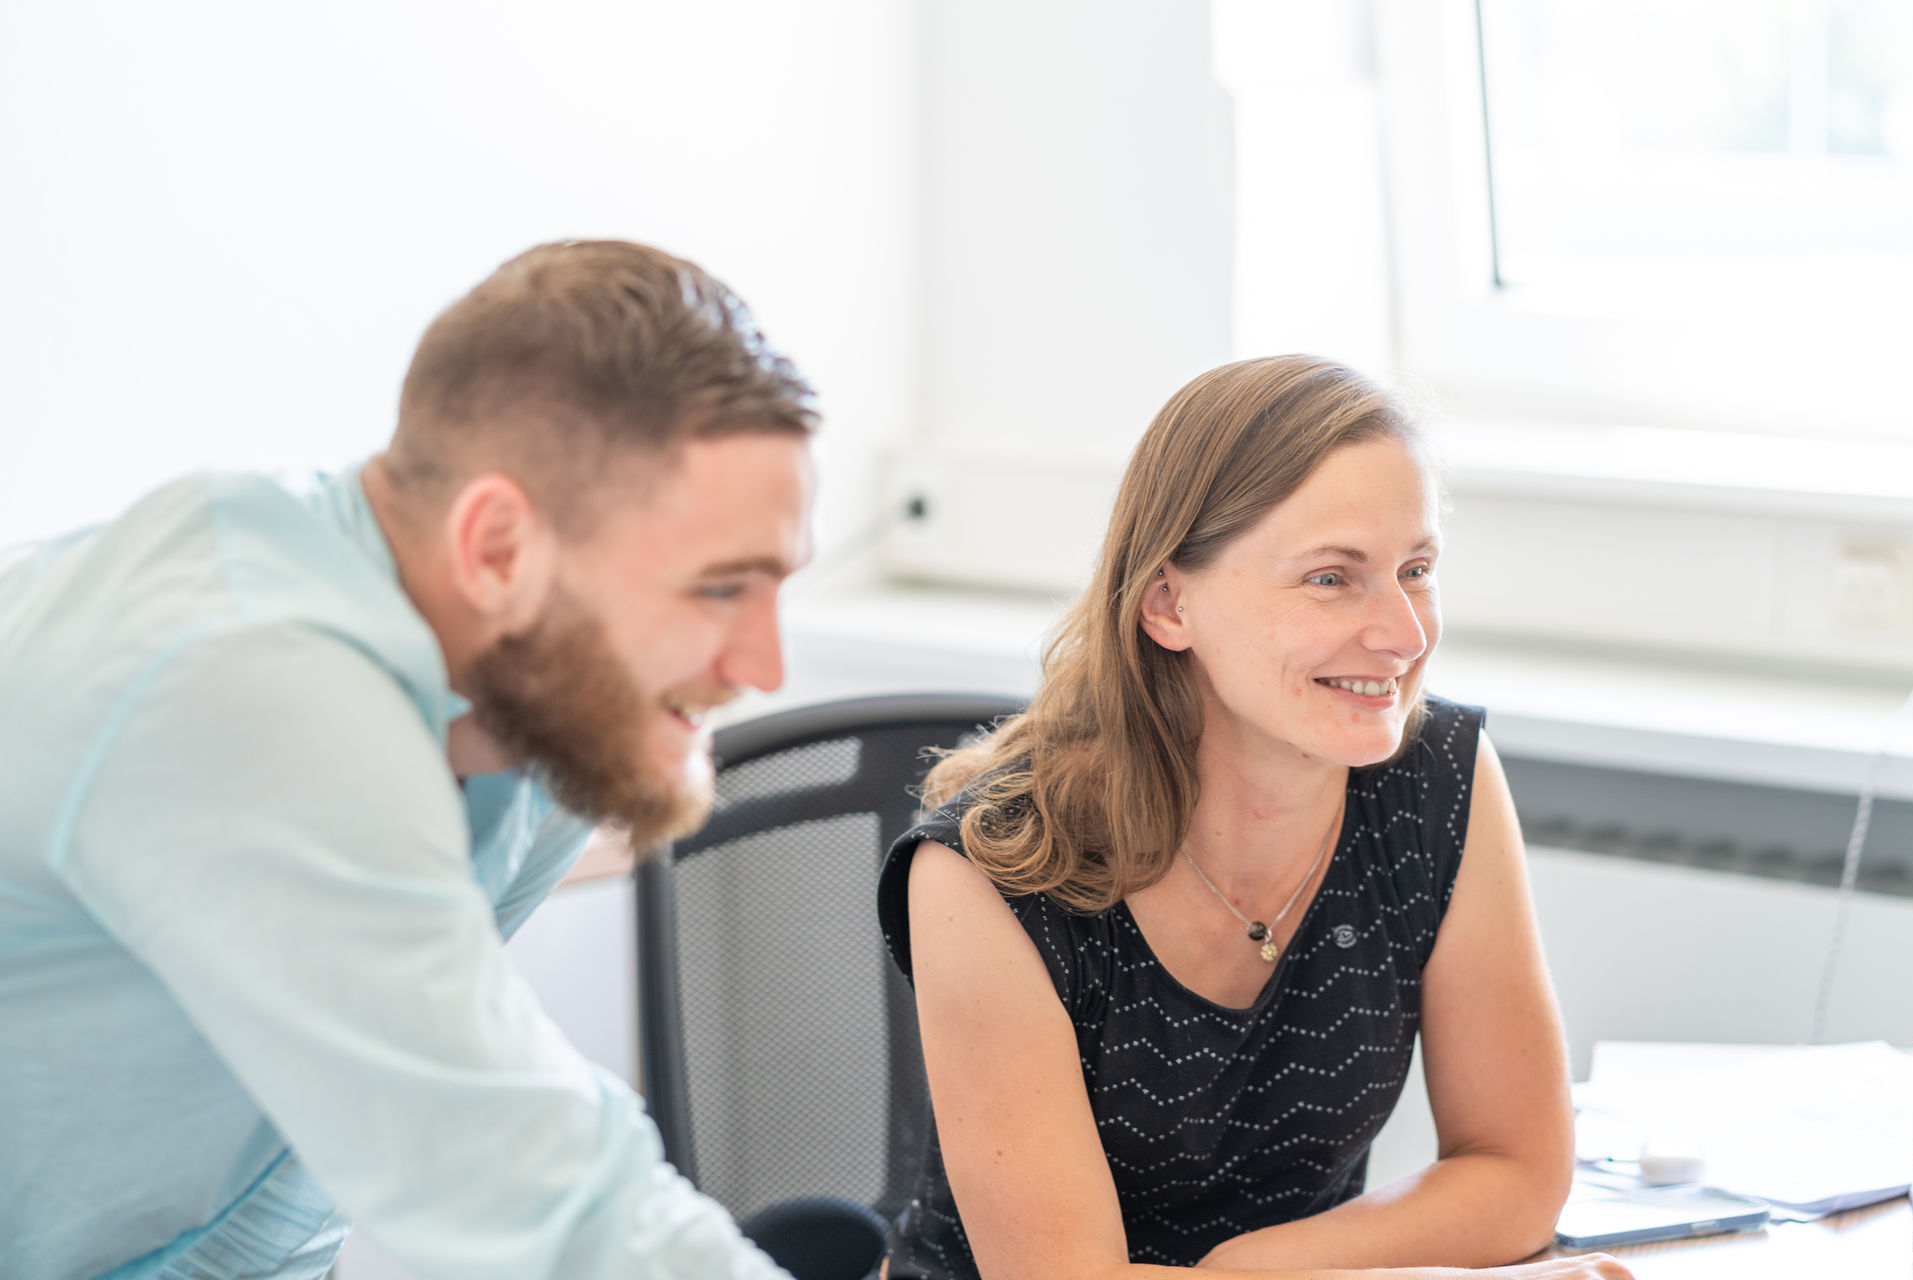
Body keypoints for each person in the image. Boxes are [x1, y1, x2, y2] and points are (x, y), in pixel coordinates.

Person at [0, 240, 815, 1279]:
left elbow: (314, 1134)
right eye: (719, 587)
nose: (767, 663)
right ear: (499, 550)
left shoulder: (540, 721)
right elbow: (519, 1177)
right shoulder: (250, 680)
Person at [876, 356, 1633, 1280]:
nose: (1403, 633)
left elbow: (1517, 1174)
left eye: (1416, 569)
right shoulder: (987, 871)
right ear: (1168, 603)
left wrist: (1242, 1271)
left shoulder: (1437, 776)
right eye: (1330, 579)